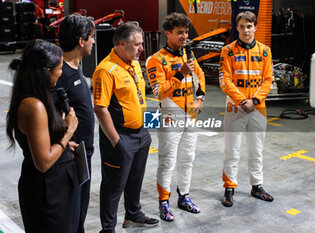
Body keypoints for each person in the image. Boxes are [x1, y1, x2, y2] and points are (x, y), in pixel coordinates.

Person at [6, 39, 79, 232]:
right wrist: (68, 133)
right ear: (46, 71)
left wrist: (61, 144)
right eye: (59, 68)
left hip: (54, 185)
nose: (61, 72)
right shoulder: (34, 106)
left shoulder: (37, 97)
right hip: (47, 191)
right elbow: (44, 161)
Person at [92, 22, 159, 232]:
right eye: (137, 44)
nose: (142, 48)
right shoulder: (105, 70)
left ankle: (133, 214)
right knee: (113, 186)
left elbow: (139, 99)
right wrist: (116, 141)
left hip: (141, 134)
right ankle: (108, 228)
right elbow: (100, 109)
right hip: (120, 137)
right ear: (122, 43)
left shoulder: (133, 62)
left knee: (135, 179)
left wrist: (148, 129)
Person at [146, 12, 206, 222]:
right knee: (167, 160)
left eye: (186, 32)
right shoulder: (156, 60)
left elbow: (201, 77)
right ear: (168, 33)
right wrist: (180, 73)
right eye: (180, 32)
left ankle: (184, 197)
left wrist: (200, 98)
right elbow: (159, 92)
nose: (184, 36)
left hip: (191, 114)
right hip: (171, 116)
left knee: (188, 158)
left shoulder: (188, 56)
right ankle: (164, 202)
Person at [219, 11, 274, 207]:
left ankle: (256, 186)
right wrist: (243, 100)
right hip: (236, 107)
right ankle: (229, 187)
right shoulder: (228, 51)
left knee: (256, 150)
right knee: (231, 150)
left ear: (255, 27)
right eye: (241, 26)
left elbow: (268, 79)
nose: (245, 30)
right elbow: (224, 80)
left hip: (258, 109)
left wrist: (256, 100)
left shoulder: (265, 50)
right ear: (237, 28)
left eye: (249, 26)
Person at [50, 14, 95, 233]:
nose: (94, 42)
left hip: (85, 153)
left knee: (81, 209)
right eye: (92, 37)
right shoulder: (60, 73)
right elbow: (50, 117)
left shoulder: (77, 67)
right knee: (72, 210)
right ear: (81, 41)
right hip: (71, 156)